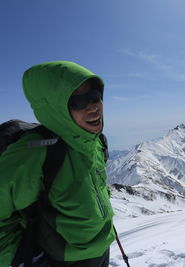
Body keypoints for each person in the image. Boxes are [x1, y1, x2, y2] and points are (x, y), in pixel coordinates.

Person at [0, 61, 115, 266]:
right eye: (77, 102)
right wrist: (20, 258)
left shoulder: (95, 142)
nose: (93, 107)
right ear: (54, 109)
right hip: (61, 259)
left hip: (100, 252)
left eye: (95, 96)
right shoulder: (33, 152)